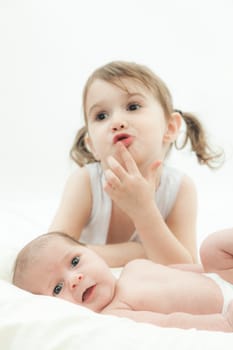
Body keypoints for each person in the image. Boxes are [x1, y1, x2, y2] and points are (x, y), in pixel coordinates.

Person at [49, 60, 223, 266]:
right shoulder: (85, 182)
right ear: (92, 146)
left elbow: (186, 266)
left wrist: (144, 210)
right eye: (101, 115)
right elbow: (52, 252)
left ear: (170, 127)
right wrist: (139, 252)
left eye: (133, 106)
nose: (116, 122)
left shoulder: (180, 188)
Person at [13, 229, 233, 332]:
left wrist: (213, 270)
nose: (74, 279)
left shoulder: (133, 266)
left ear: (93, 252)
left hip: (223, 277)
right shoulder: (115, 313)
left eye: (74, 261)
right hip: (225, 307)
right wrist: (223, 324)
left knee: (211, 248)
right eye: (58, 287)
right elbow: (169, 323)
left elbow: (187, 272)